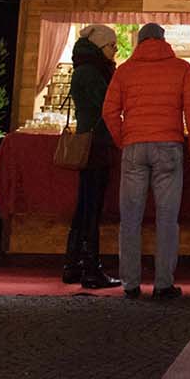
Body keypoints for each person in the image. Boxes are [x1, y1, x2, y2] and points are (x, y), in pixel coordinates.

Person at [102, 22, 190, 300]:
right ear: (163, 40)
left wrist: (124, 139)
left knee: (130, 219)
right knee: (167, 219)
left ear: (139, 41)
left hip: (134, 147)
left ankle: (130, 284)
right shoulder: (181, 68)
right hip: (169, 147)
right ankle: (163, 284)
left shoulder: (125, 70)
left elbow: (109, 111)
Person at [62, 25, 122, 290]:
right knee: (92, 206)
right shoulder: (93, 72)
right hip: (96, 143)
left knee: (84, 205)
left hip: (89, 141)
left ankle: (73, 264)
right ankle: (90, 268)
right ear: (100, 46)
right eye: (112, 46)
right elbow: (108, 105)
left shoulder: (83, 67)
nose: (115, 50)